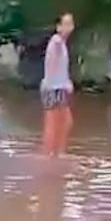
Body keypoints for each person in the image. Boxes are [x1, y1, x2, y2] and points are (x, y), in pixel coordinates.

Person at [40, 12, 75, 157]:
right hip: (53, 88)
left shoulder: (61, 43)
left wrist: (67, 82)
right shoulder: (57, 42)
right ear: (58, 27)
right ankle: (49, 154)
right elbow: (51, 65)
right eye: (65, 24)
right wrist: (64, 83)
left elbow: (60, 67)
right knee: (53, 124)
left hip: (58, 88)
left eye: (71, 23)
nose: (69, 27)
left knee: (65, 122)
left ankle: (58, 152)